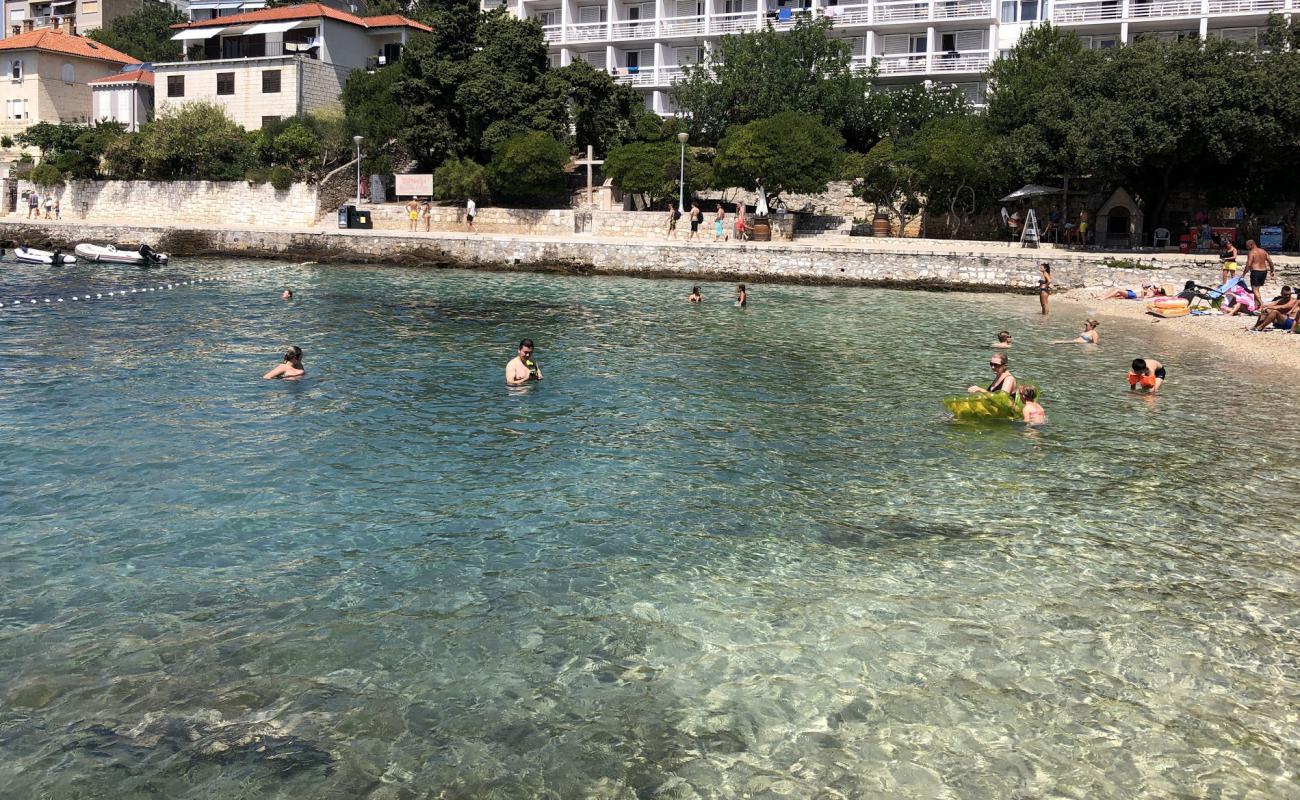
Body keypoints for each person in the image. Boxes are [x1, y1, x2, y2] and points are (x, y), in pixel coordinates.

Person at [1241, 239, 1274, 307]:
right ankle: (1256, 305)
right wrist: (1272, 270)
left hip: (1256, 272)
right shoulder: (1263, 251)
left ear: (1251, 245)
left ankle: (1262, 304)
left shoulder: (1252, 252)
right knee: (1256, 289)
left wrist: (1243, 274)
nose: (1247, 248)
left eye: (1247, 246)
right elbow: (1270, 261)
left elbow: (1249, 264)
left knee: (1254, 289)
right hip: (1264, 271)